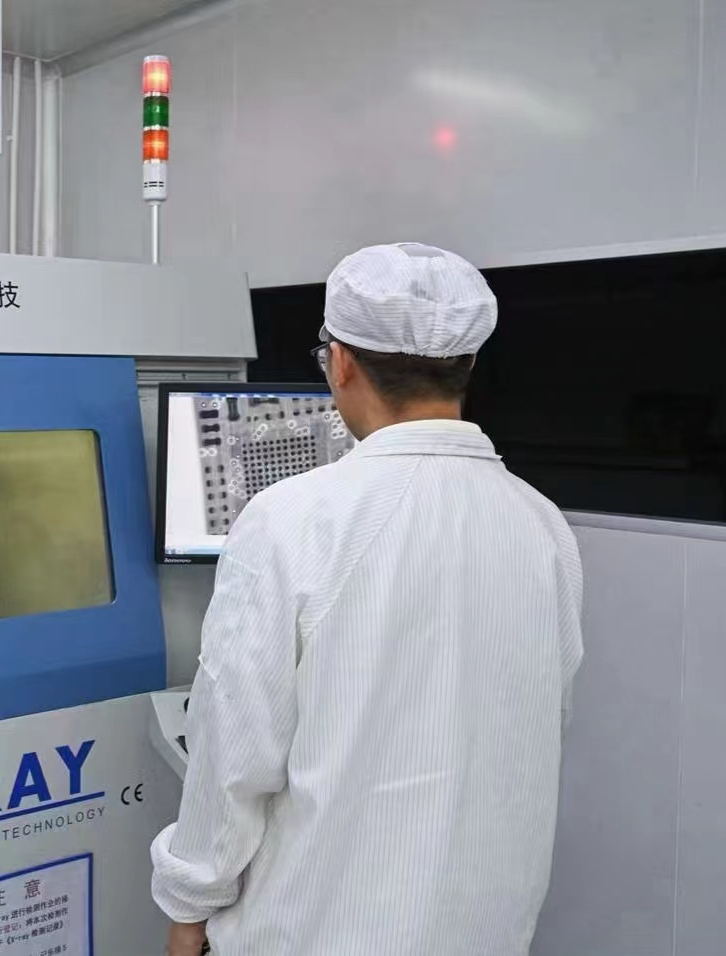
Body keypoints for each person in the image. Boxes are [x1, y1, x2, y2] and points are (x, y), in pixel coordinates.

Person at [151, 243, 584, 956]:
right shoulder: (541, 522)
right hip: (485, 927)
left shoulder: (291, 518)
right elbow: (541, 722)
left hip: (318, 930)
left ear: (342, 362)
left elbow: (235, 754)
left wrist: (189, 904)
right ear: (468, 362)